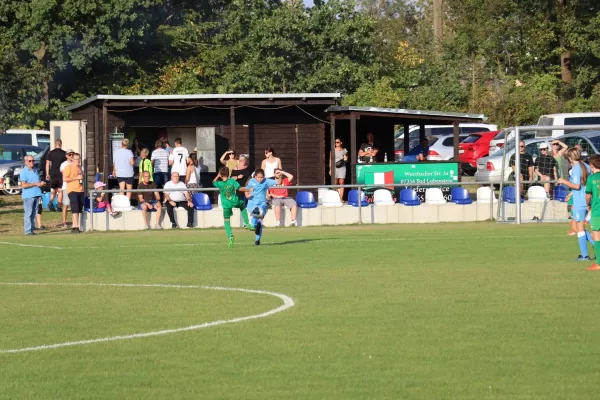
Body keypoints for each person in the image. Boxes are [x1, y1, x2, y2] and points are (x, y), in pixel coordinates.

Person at [557, 147, 594, 261]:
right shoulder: (586, 166)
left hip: (580, 202)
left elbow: (577, 185)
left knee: (580, 228)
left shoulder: (577, 168)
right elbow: (584, 185)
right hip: (586, 200)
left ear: (570, 157)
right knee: (580, 227)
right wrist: (572, 194)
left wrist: (563, 181)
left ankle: (585, 255)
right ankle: (596, 248)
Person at [213, 167, 253, 248]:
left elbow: (213, 182)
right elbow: (240, 188)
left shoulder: (219, 183)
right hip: (235, 201)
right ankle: (246, 223)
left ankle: (230, 236)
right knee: (242, 206)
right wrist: (249, 190)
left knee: (226, 221)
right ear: (228, 174)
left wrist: (218, 175)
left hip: (226, 205)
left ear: (220, 175)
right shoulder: (232, 181)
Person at [245, 168, 278, 245]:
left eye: (261, 177)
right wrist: (247, 195)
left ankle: (257, 239)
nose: (260, 179)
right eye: (258, 177)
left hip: (262, 204)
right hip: (252, 204)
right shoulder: (251, 182)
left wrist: (279, 176)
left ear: (264, 176)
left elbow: (278, 181)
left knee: (259, 218)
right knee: (258, 217)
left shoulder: (266, 181)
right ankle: (255, 227)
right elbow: (246, 190)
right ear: (255, 176)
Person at [20, 155, 45, 235]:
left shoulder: (35, 170)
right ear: (26, 162)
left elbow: (37, 181)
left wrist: (41, 184)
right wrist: (35, 184)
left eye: (33, 161)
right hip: (28, 196)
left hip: (37, 194)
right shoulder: (24, 172)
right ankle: (27, 231)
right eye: (30, 161)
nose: (32, 162)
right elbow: (23, 185)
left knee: (34, 213)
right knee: (28, 213)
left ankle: (31, 229)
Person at [63, 153, 84, 234]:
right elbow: (65, 178)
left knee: (79, 209)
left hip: (80, 190)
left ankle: (75, 226)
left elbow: (81, 178)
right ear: (72, 159)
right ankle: (76, 226)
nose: (77, 161)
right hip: (72, 190)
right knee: (74, 207)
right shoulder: (68, 167)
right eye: (76, 159)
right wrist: (76, 178)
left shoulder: (80, 168)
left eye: (79, 159)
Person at [585, 155, 600, 271]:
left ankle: (599, 263)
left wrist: (587, 205)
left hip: (597, 211)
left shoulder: (591, 179)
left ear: (592, 165)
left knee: (596, 235)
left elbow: (588, 196)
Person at [45, 139, 66, 212]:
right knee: (60, 190)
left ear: (55, 144)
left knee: (53, 189)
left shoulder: (50, 153)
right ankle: (59, 206)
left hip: (53, 173)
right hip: (60, 174)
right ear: (61, 144)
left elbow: (47, 164)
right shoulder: (64, 153)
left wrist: (47, 173)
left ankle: (50, 201)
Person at [57, 150, 74, 228]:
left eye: (72, 154)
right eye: (70, 154)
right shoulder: (64, 164)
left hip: (75, 186)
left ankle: (75, 221)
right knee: (66, 204)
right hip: (66, 186)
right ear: (66, 156)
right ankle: (64, 222)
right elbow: (65, 175)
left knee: (74, 204)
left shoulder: (76, 163)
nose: (71, 156)